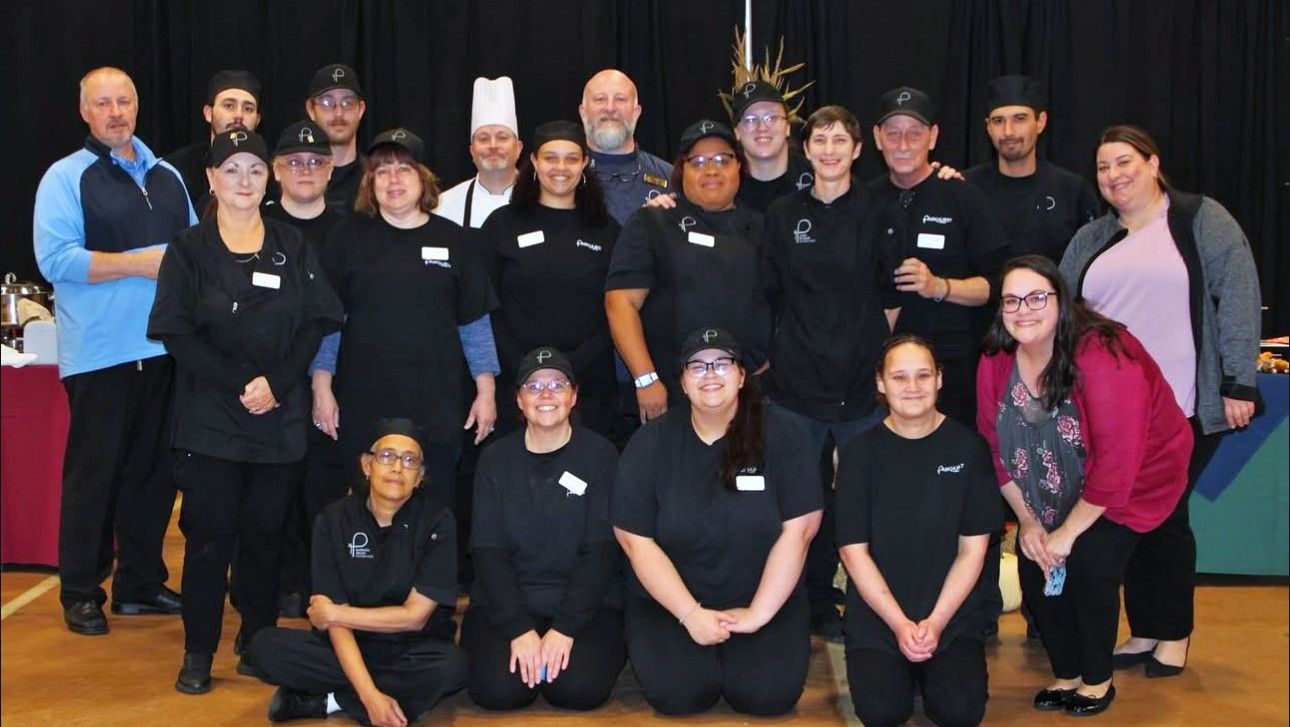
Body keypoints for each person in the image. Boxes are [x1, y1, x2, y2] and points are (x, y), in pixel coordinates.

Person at [1059, 124, 1263, 678]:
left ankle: (1172, 634)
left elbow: (1239, 293)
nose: (1114, 176)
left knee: (1166, 517)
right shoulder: (1092, 238)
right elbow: (1061, 308)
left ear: (1153, 163)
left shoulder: (1201, 220)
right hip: (1108, 413)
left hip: (1183, 405)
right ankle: (1148, 629)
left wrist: (1238, 382)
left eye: (1124, 162)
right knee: (1138, 519)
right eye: (1103, 168)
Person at [147, 129, 342, 693]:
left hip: (277, 420)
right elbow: (176, 333)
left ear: (270, 179)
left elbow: (316, 320)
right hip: (212, 421)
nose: (244, 181)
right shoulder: (188, 249)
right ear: (210, 179)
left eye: (254, 171)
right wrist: (242, 384)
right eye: (230, 170)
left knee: (264, 538)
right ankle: (198, 652)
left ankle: (257, 643)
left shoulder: (291, 245)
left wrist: (277, 384)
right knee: (209, 540)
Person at [977, 255, 1192, 716]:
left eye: (1037, 297)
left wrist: (1067, 535)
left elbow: (1117, 464)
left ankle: (1097, 679)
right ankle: (1067, 673)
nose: (1024, 310)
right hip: (1049, 485)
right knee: (1037, 569)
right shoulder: (996, 358)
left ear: (1062, 301)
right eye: (1012, 300)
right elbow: (994, 449)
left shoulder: (1102, 355)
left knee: (1090, 565)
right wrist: (1031, 526)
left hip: (1136, 478)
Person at [33, 66, 196, 637]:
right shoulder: (64, 177)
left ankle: (140, 583)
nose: (115, 112)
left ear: (137, 105)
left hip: (164, 351)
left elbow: (196, 255)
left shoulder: (170, 175)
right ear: (84, 111)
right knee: (94, 477)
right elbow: (55, 261)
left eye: (124, 100)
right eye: (102, 103)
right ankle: (81, 590)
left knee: (153, 477)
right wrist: (137, 262)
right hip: (101, 354)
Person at [612, 327, 822, 716]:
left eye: (722, 364)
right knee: (680, 697)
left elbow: (801, 530)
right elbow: (634, 540)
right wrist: (690, 614)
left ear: (743, 375)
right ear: (682, 382)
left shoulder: (785, 433)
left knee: (766, 698)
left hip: (764, 596)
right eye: (697, 366)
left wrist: (759, 612)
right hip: (670, 602)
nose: (710, 374)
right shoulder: (650, 443)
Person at [761, 104, 901, 641]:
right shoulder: (781, 214)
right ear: (806, 148)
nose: (830, 150)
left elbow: (890, 297)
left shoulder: (879, 211)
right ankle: (813, 602)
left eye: (841, 140)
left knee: (862, 497)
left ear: (858, 149)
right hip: (796, 385)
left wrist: (870, 354)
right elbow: (770, 293)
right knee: (804, 498)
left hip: (861, 385)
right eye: (820, 140)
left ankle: (870, 604)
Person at [310, 128, 499, 509]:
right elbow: (328, 321)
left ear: (424, 178)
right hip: (363, 400)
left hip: (437, 403)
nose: (393, 180)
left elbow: (474, 322)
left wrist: (486, 391)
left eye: (404, 170)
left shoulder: (455, 241)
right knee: (367, 507)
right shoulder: (347, 238)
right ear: (370, 182)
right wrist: (321, 387)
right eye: (382, 172)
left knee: (434, 504)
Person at [248, 418, 468, 726]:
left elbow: (414, 617)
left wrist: (337, 614)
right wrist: (369, 696)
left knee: (452, 668)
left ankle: (329, 701)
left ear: (419, 477)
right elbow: (333, 624)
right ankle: (381, 699)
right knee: (263, 648)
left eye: (409, 461)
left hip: (408, 646)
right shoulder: (332, 520)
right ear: (367, 465)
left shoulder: (437, 521)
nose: (396, 468)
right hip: (345, 644)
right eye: (387, 456)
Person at [836, 334, 1000, 727]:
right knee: (881, 713)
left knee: (960, 714)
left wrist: (937, 623)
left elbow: (973, 551)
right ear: (880, 383)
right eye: (899, 377)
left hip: (950, 614)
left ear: (940, 379)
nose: (912, 388)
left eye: (923, 375)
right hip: (880, 616)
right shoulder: (858, 454)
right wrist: (899, 624)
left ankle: (930, 667)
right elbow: (852, 551)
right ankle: (899, 668)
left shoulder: (969, 449)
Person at [462, 347, 624, 710]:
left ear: (574, 395)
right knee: (499, 692)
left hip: (584, 605)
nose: (546, 394)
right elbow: (488, 550)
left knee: (577, 690)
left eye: (557, 384)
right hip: (507, 602)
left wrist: (565, 628)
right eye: (534, 386)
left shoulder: (600, 456)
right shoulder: (495, 459)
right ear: (518, 400)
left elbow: (601, 550)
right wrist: (520, 629)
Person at [605, 120, 770, 422]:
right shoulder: (652, 222)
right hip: (669, 395)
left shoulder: (760, 227)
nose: (711, 170)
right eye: (699, 161)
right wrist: (646, 379)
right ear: (682, 170)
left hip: (745, 394)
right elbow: (620, 303)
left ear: (739, 167)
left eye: (723, 159)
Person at [867, 86, 1010, 425]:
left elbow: (999, 285)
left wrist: (940, 286)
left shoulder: (962, 198)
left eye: (914, 134)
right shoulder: (864, 202)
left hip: (953, 372)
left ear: (932, 137)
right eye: (893, 134)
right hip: (879, 375)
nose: (903, 145)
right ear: (877, 138)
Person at [480, 121, 620, 436]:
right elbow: (486, 305)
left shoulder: (606, 229)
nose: (561, 167)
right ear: (533, 161)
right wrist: (526, 367)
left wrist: (571, 368)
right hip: (515, 381)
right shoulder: (502, 225)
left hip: (589, 384)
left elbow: (617, 308)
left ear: (585, 163)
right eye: (550, 157)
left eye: (571, 158)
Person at [262, 119, 346, 618]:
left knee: (323, 486)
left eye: (316, 162)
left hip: (331, 378)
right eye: (294, 162)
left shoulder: (349, 230)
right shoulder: (256, 223)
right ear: (276, 170)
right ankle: (275, 581)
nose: (305, 170)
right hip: (270, 380)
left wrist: (325, 380)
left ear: (331, 169)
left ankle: (319, 582)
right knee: (274, 492)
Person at [964, 75, 1099, 263]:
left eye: (1020, 119)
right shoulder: (966, 187)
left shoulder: (1072, 191)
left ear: (1040, 122)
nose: (1008, 131)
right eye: (998, 121)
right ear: (988, 127)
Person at [578, 69, 673, 224]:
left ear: (636, 112)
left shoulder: (670, 177)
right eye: (600, 99)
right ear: (583, 113)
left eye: (620, 99)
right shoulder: (561, 178)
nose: (610, 108)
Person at [166, 69, 263, 213]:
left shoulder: (270, 171)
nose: (239, 115)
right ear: (208, 113)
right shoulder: (176, 170)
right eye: (229, 105)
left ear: (257, 120)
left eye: (248, 109)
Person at [435, 76, 522, 229]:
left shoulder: (542, 198)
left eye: (502, 137)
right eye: (483, 138)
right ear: (472, 151)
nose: (493, 145)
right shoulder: (444, 206)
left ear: (518, 148)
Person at [728, 80, 816, 212]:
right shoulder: (725, 186)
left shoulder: (816, 178)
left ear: (787, 127)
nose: (762, 127)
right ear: (737, 132)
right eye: (751, 120)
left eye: (772, 118)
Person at [305, 63, 367, 212]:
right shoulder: (298, 178)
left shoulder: (375, 180)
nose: (339, 112)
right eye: (327, 102)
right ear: (311, 109)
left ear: (361, 109)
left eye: (348, 102)